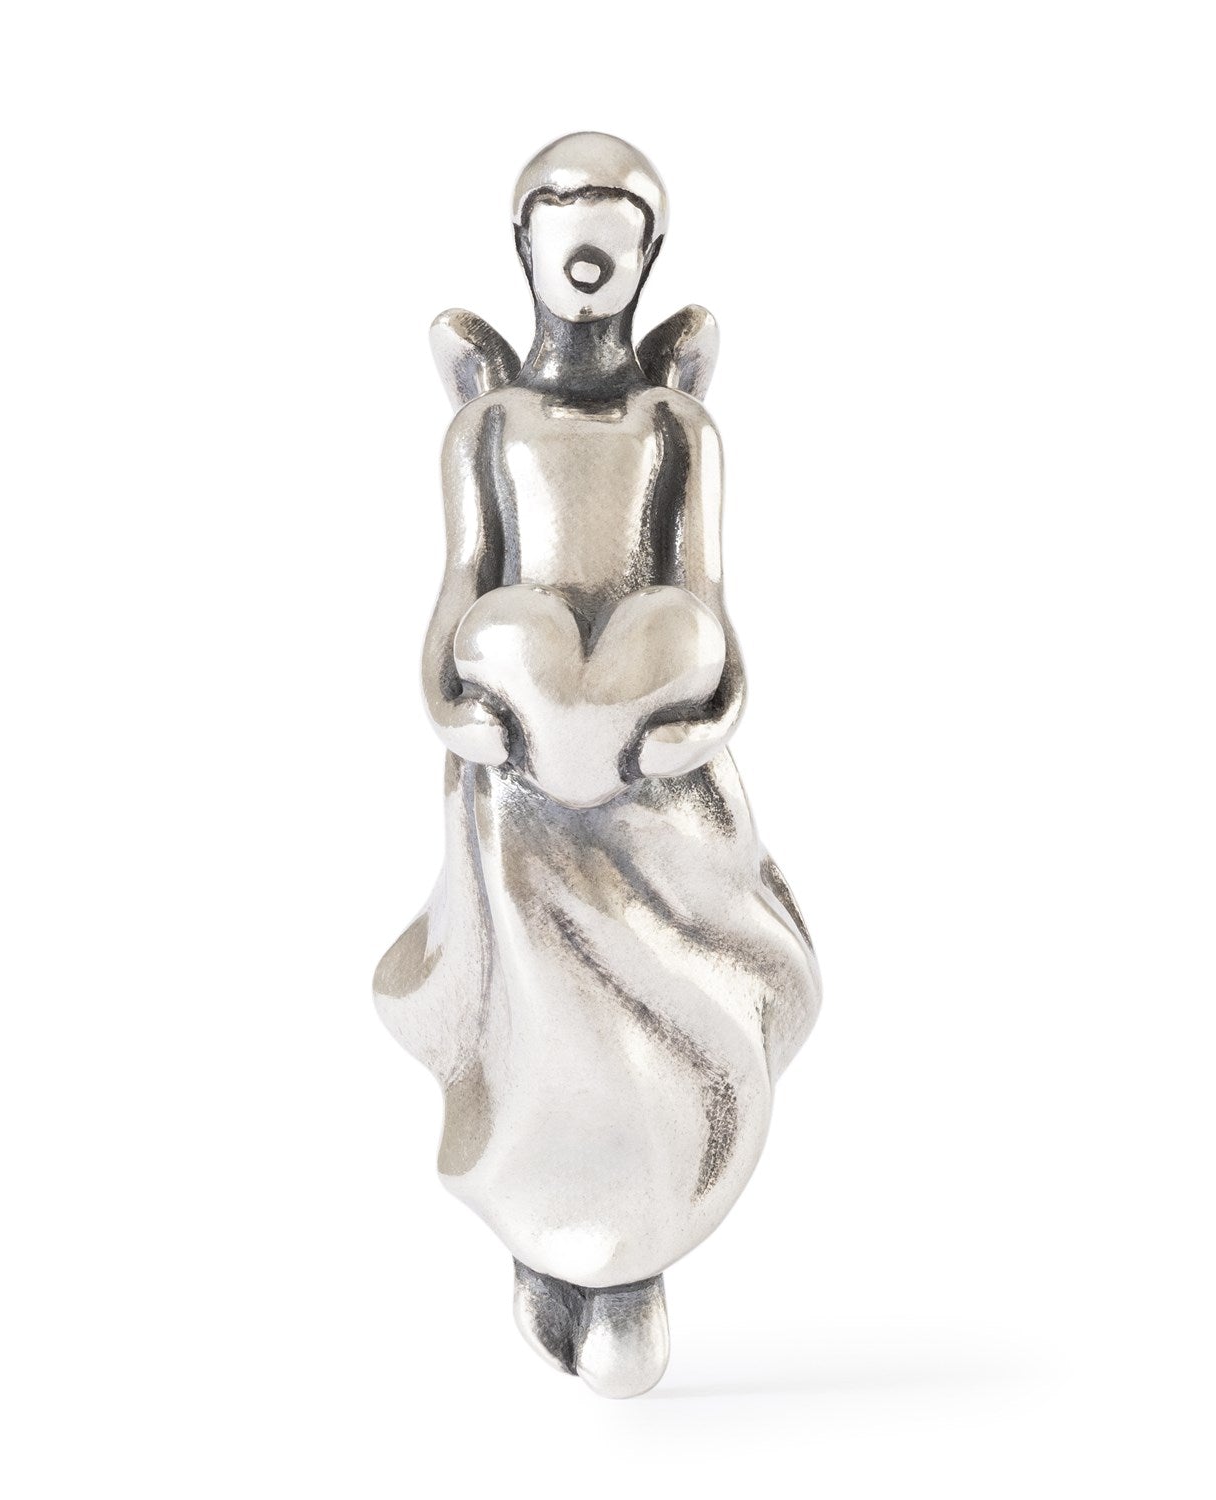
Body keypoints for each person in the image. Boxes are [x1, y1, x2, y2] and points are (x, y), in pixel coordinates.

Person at [374, 133, 821, 1398]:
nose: (587, 248)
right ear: (523, 245)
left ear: (648, 250)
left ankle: (635, 1251)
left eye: (615, 224)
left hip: (654, 797)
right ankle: (551, 1234)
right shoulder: (487, 428)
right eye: (562, 221)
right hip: (518, 797)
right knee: (541, 1023)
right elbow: (460, 596)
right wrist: (458, 710)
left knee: (661, 1017)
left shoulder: (677, 428)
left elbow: (705, 610)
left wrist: (695, 724)